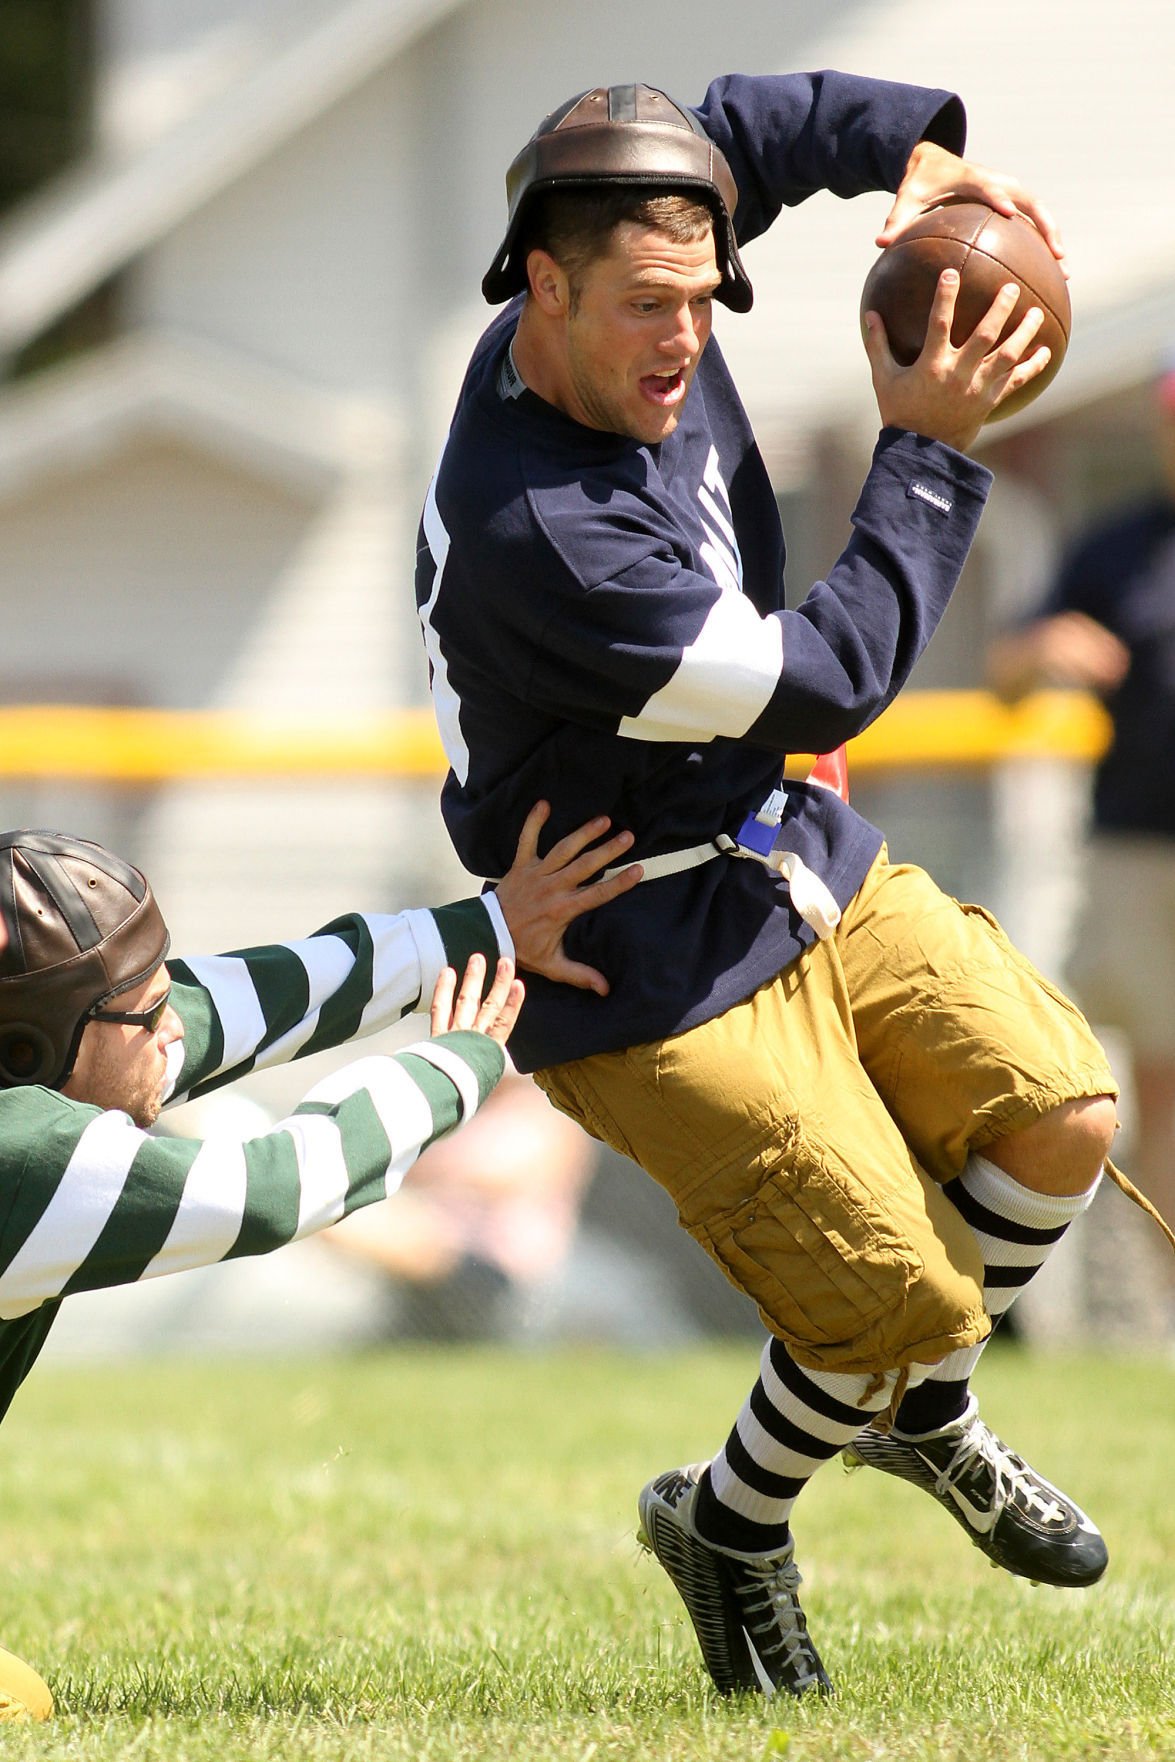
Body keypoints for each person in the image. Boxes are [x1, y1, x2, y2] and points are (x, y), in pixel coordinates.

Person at [413, 74, 1154, 1700]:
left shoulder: (630, 231)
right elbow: (826, 676)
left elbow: (741, 122)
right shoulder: (544, 530)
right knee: (902, 1297)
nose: (684, 341)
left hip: (782, 843)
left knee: (1067, 1119)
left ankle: (747, 1503)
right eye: (644, 313)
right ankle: (881, 1419)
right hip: (636, 949)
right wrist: (931, 453)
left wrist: (913, 153)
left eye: (703, 298)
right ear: (543, 284)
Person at [0, 805, 638, 1711]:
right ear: (29, 1048)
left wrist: (494, 925)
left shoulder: (46, 1059)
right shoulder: (19, 1154)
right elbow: (273, 1189)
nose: (174, 1029)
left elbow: (249, 1000)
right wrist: (455, 1066)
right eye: (146, 1013)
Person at [988, 362, 1175, 1320]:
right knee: (1141, 1080)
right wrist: (1047, 648)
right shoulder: (1122, 550)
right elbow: (1006, 672)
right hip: (1143, 854)